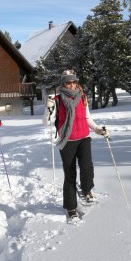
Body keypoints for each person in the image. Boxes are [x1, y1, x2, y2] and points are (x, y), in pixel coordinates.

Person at [46, 70, 109, 220]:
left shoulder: (82, 97)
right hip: (67, 141)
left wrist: (98, 129)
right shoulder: (56, 100)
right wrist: (48, 109)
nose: (72, 84)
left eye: (74, 81)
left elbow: (87, 118)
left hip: (84, 138)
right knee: (70, 175)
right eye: (68, 82)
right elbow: (47, 121)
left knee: (87, 167)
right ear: (63, 84)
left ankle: (87, 191)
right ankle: (71, 207)